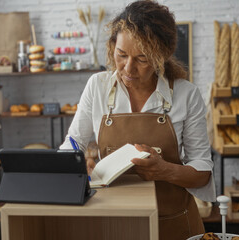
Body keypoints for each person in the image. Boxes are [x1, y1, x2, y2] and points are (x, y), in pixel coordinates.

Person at [60, 1, 216, 239]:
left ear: (160, 57)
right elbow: (71, 143)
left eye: (142, 59)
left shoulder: (186, 95)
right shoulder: (97, 86)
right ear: (113, 46)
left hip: (174, 224)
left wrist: (164, 170)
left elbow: (202, 170)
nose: (128, 68)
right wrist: (77, 162)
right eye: (121, 55)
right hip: (113, 223)